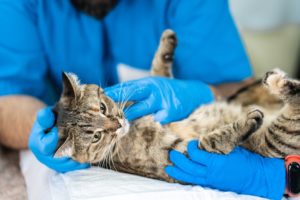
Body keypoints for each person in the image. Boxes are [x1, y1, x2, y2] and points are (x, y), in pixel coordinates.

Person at [0, 0, 285, 199]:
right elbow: (7, 98)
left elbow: (247, 87)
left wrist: (200, 92)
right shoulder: (20, 5)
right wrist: (53, 129)